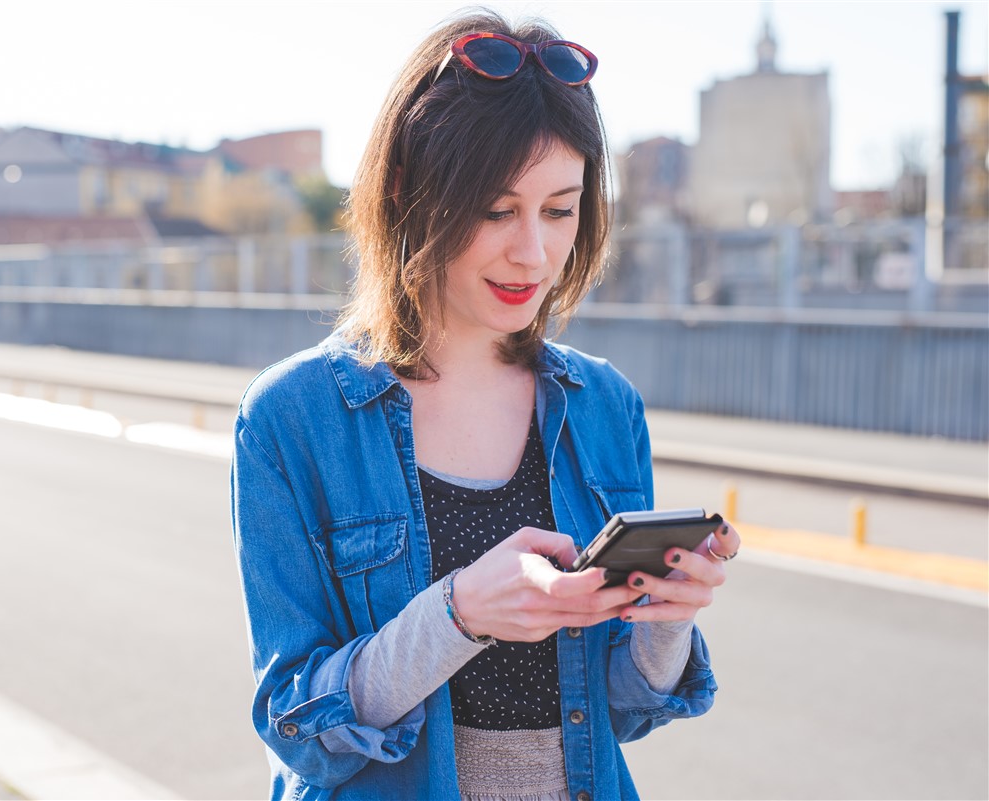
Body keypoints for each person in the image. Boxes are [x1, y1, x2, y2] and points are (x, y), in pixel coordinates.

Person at [230, 9, 740, 800]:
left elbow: (624, 711)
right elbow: (297, 724)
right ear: (406, 190)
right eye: (497, 210)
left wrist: (668, 615)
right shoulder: (294, 418)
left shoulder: (605, 405)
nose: (531, 251)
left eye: (560, 209)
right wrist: (459, 614)